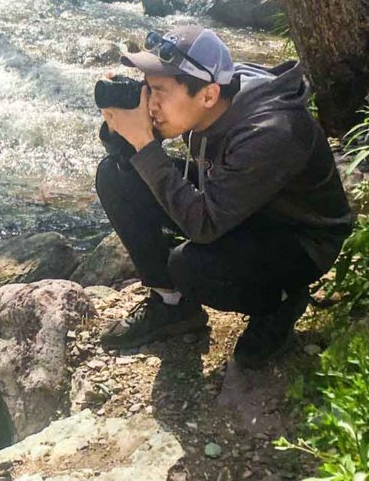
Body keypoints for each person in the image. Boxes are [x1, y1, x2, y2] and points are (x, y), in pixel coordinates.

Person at [96, 25, 352, 367]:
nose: (150, 102)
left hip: (297, 237)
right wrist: (120, 124)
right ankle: (172, 304)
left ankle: (280, 300)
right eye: (147, 88)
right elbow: (132, 155)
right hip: (241, 201)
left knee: (191, 265)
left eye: (158, 91)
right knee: (116, 175)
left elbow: (204, 226)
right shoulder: (206, 101)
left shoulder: (271, 132)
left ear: (207, 95)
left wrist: (144, 142)